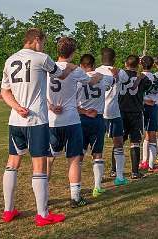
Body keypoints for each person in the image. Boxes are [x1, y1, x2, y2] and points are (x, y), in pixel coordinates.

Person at [1, 28, 77, 226]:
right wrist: (70, 67)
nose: (43, 45)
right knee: (39, 165)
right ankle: (42, 215)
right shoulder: (41, 58)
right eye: (43, 42)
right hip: (36, 120)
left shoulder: (10, 60)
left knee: (12, 164)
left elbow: (5, 92)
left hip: (15, 120)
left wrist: (17, 107)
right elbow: (59, 74)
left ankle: (8, 210)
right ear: (36, 40)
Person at [46, 37, 103, 207]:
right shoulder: (75, 70)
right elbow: (91, 81)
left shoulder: (48, 68)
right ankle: (75, 197)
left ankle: (44, 196)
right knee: (74, 159)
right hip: (71, 120)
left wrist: (51, 106)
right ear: (73, 52)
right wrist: (99, 75)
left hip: (52, 121)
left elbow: (41, 92)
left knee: (49, 159)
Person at [77, 54, 118, 196]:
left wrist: (83, 110)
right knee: (97, 154)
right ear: (93, 64)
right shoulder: (103, 77)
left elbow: (71, 102)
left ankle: (77, 186)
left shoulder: (78, 80)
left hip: (81, 119)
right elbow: (113, 80)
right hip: (98, 119)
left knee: (79, 154)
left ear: (82, 65)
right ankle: (97, 186)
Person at [94, 48, 132, 179]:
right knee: (118, 143)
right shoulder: (119, 71)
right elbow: (126, 79)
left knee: (98, 146)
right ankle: (119, 176)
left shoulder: (96, 71)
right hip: (113, 112)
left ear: (101, 58)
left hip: (97, 112)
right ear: (114, 59)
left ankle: (99, 178)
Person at [119, 55, 157, 177]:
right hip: (135, 112)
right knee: (135, 142)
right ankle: (135, 172)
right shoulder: (142, 78)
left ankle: (114, 170)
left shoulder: (120, 75)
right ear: (138, 65)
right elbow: (149, 85)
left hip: (121, 111)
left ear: (125, 63)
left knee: (119, 142)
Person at [140, 56, 158, 171]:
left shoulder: (139, 77)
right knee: (152, 133)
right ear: (153, 65)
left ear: (140, 64)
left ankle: (144, 161)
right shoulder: (156, 77)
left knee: (144, 135)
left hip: (141, 106)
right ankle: (151, 164)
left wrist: (144, 100)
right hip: (153, 106)